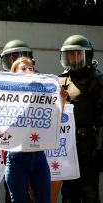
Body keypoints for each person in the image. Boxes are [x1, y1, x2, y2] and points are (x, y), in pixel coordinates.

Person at [58, 34, 103, 203]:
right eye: (71, 53)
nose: (75, 57)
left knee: (89, 192)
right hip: (66, 145)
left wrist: (99, 148)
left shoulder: (96, 80)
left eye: (79, 53)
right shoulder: (60, 80)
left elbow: (102, 116)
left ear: (87, 55)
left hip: (88, 145)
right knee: (68, 193)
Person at [6, 57, 51, 203]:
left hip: (39, 156)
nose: (27, 70)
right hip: (17, 157)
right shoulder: (5, 94)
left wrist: (61, 100)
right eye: (23, 68)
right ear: (14, 73)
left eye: (30, 68)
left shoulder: (43, 92)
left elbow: (54, 119)